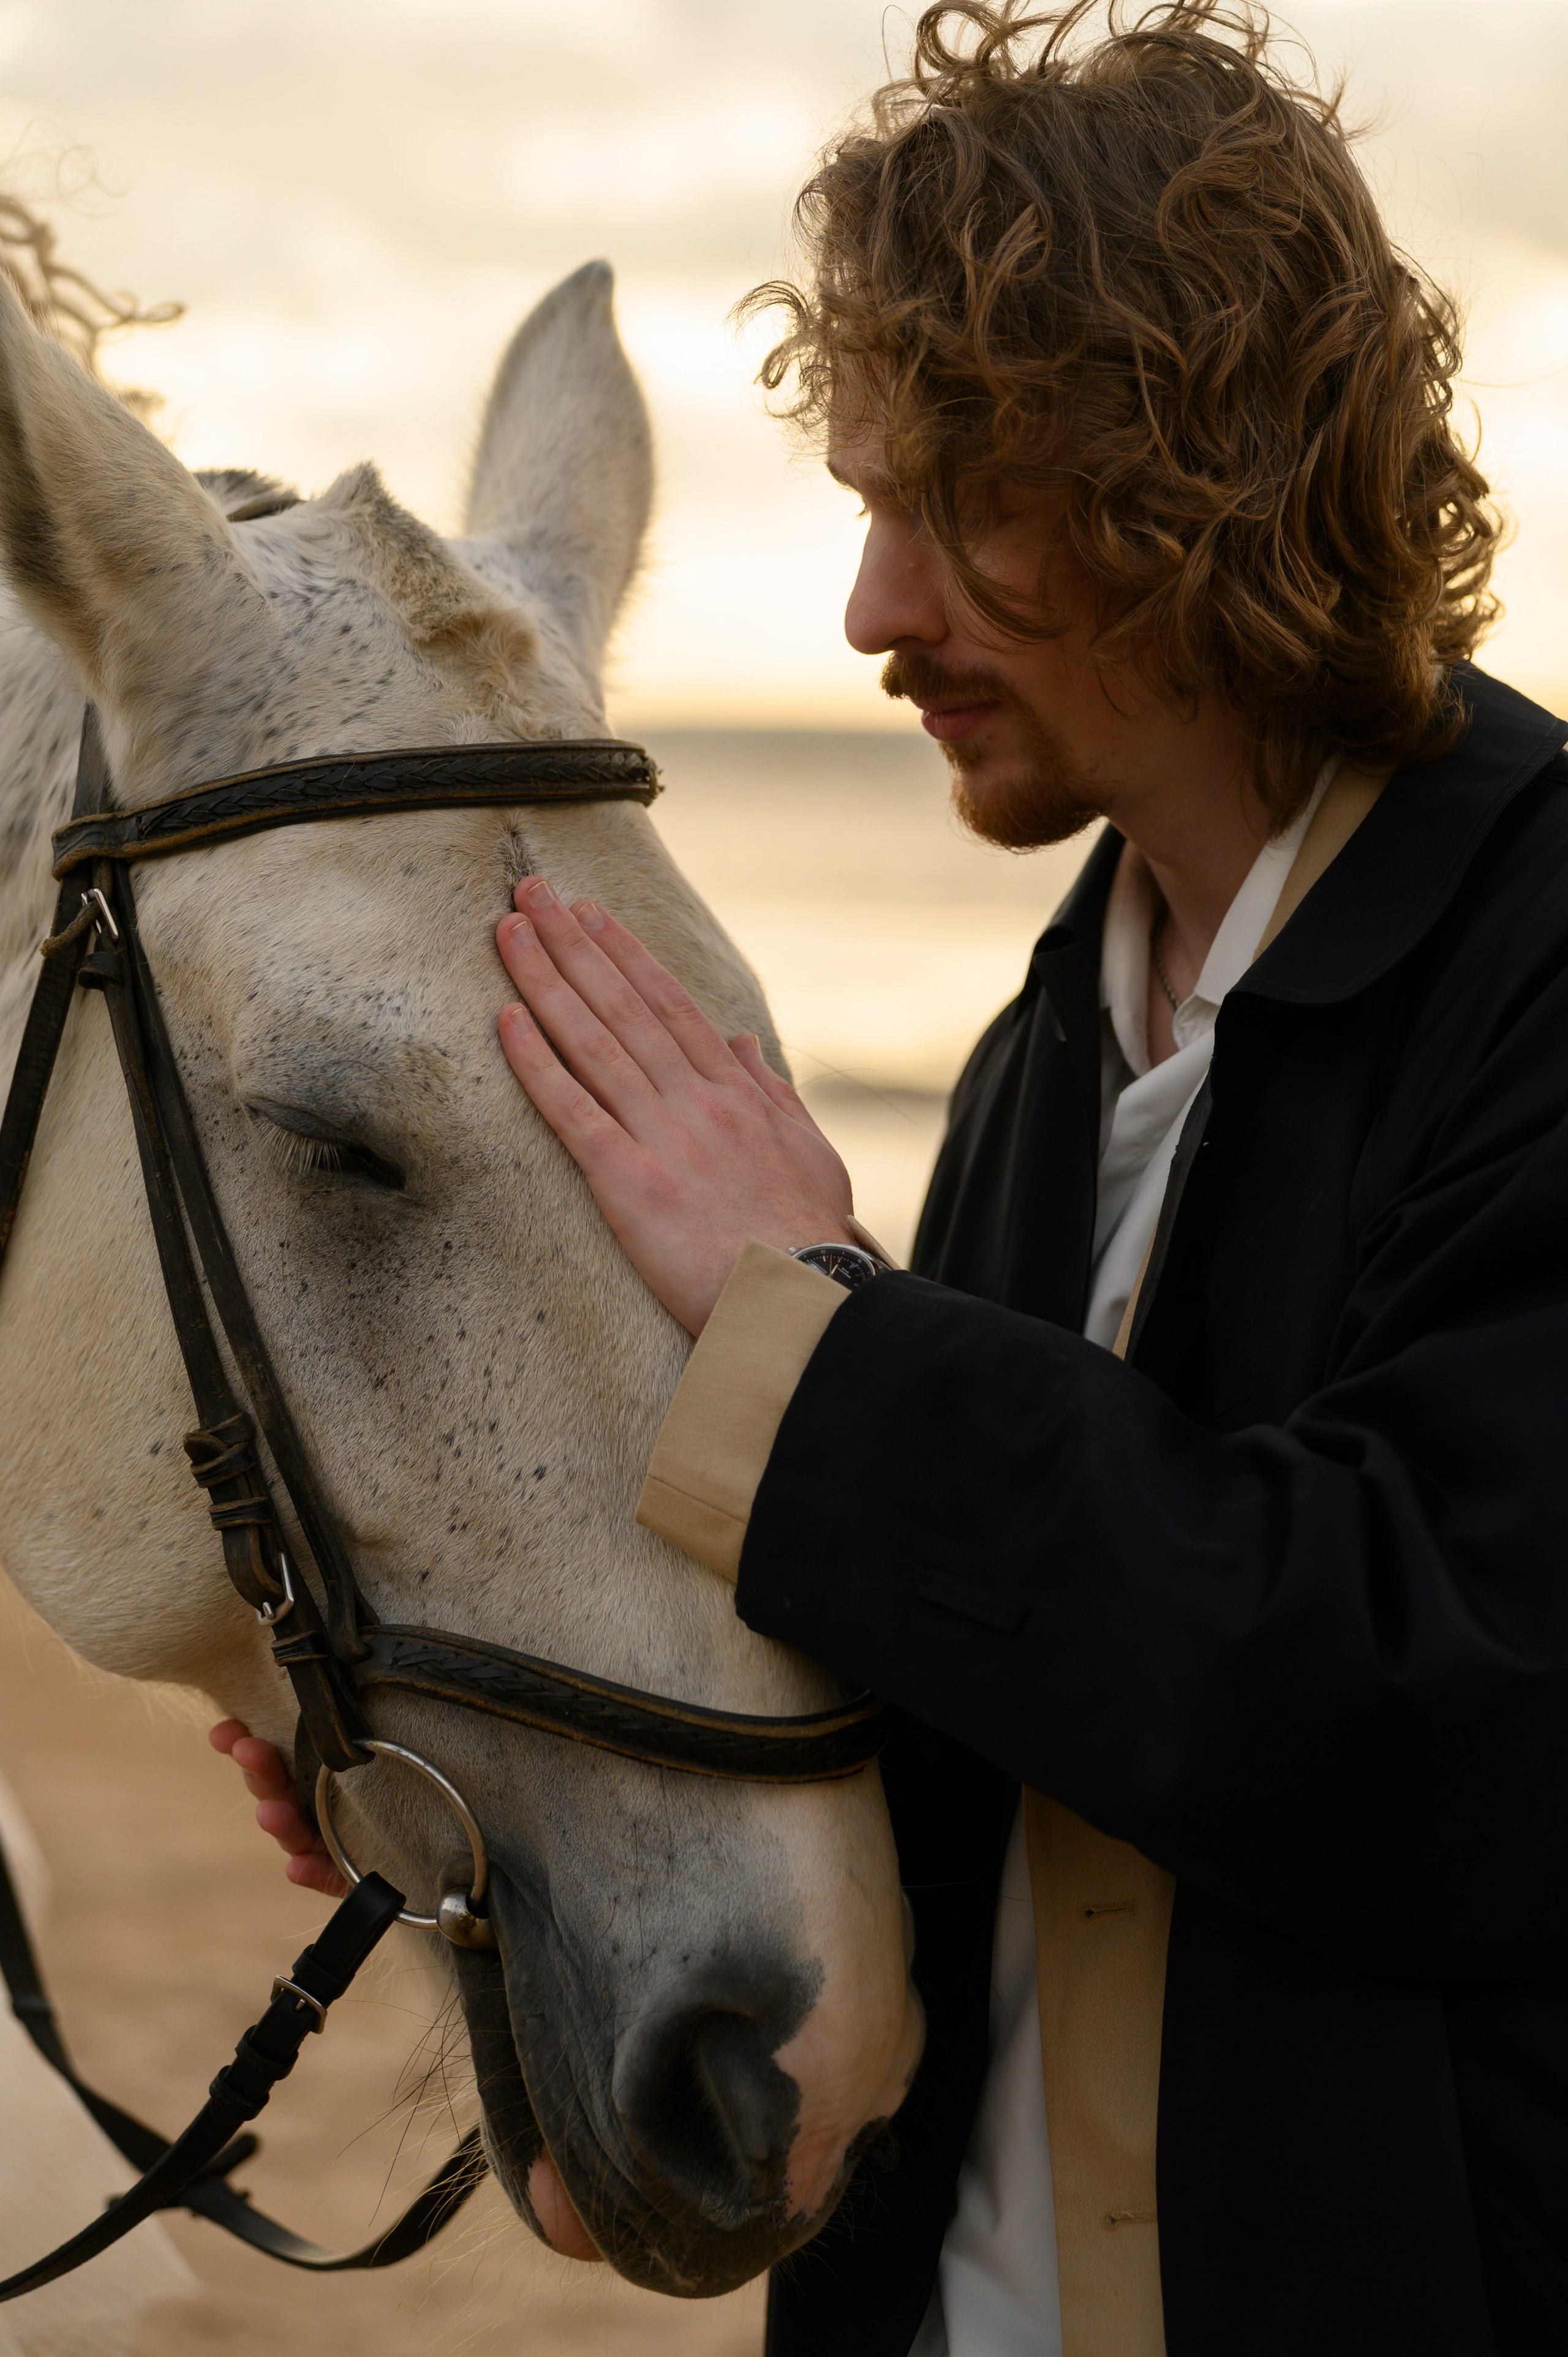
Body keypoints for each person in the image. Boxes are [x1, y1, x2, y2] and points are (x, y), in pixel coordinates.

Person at [219, 4, 1568, 2350]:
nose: (867, 612)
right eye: (861, 507)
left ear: (1199, 472)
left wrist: (816, 1318)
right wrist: (484, 1789)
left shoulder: (1542, 957)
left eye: (944, 505)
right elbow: (977, 1735)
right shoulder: (1045, 1048)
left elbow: (1443, 1720)